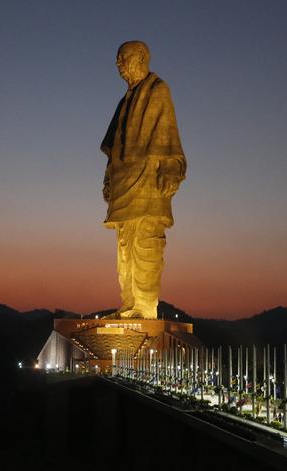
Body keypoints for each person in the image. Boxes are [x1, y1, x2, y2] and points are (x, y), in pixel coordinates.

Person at [101, 40, 186, 319]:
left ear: (140, 58)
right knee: (124, 247)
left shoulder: (158, 90)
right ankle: (129, 304)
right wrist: (108, 178)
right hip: (124, 182)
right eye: (117, 60)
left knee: (146, 243)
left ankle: (145, 306)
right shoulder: (123, 101)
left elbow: (169, 138)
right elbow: (113, 148)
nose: (119, 65)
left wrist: (171, 170)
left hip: (148, 181)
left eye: (122, 58)